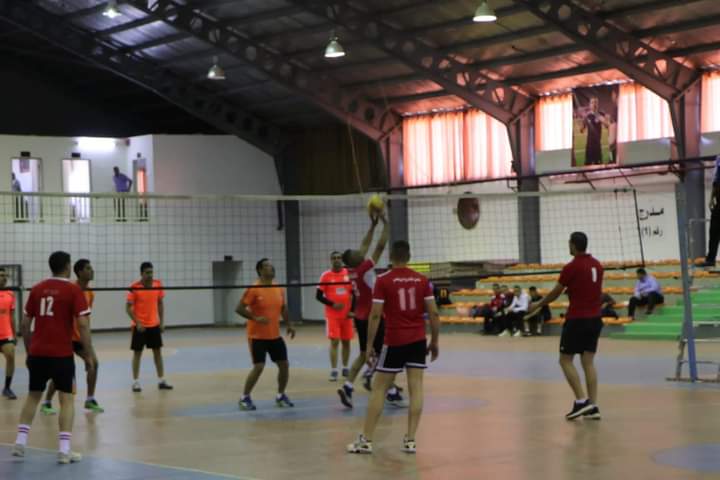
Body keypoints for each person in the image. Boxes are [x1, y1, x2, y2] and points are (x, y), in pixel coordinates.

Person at [347, 240, 440, 454]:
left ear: (391, 256)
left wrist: (369, 345)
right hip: (417, 340)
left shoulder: (383, 280)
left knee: (379, 388)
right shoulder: (422, 280)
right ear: (409, 256)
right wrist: (434, 341)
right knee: (416, 387)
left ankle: (366, 440)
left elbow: (375, 315)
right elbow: (434, 313)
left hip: (394, 340)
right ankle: (410, 440)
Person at [11, 251, 93, 464]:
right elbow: (83, 325)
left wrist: (29, 351)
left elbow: (24, 325)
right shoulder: (74, 290)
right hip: (61, 355)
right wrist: (88, 354)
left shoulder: (37, 288)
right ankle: (64, 451)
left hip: (38, 353)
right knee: (66, 400)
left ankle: (20, 443)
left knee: (33, 396)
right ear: (67, 267)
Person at [526, 232, 603, 420]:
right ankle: (593, 406)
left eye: (569, 243)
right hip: (595, 319)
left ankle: (581, 401)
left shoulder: (571, 267)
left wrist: (538, 304)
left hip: (577, 319)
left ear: (573, 245)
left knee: (565, 360)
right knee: (588, 362)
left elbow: (556, 292)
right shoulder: (597, 265)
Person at [337, 214, 404, 408]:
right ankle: (377, 381)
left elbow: (364, 245)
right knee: (385, 353)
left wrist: (372, 226)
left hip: (359, 316)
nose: (361, 252)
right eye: (357, 253)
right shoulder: (364, 268)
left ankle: (348, 386)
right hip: (372, 317)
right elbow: (380, 246)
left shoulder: (352, 270)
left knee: (364, 353)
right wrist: (386, 224)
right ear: (354, 260)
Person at [41, 259, 103, 414]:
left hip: (80, 337)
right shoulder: (70, 289)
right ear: (79, 272)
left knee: (94, 364)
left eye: (91, 267)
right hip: (66, 337)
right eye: (88, 268)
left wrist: (87, 340)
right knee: (62, 372)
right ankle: (46, 402)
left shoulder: (90, 293)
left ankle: (90, 399)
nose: (92, 271)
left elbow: (85, 318)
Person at [236, 258, 296, 410]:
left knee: (284, 365)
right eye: (267, 266)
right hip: (257, 336)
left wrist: (289, 324)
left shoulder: (278, 288)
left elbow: (283, 308)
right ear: (260, 270)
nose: (271, 267)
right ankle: (244, 398)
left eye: (271, 265)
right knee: (259, 367)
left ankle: (281, 395)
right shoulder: (254, 289)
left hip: (274, 335)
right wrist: (255, 318)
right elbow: (239, 308)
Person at [127, 262, 173, 392]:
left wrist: (162, 322)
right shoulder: (134, 287)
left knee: (158, 353)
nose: (150, 275)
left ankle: (161, 381)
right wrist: (138, 323)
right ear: (141, 273)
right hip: (140, 327)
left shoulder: (158, 284)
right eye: (147, 272)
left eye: (151, 272)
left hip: (154, 325)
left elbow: (160, 304)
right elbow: (128, 308)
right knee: (137, 354)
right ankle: (135, 382)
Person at [316, 251, 353, 381]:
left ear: (342, 260)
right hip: (332, 315)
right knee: (335, 341)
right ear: (331, 260)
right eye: (334, 258)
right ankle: (334, 370)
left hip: (347, 315)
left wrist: (352, 310)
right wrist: (333, 304)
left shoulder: (348, 273)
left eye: (339, 258)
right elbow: (318, 296)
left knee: (346, 341)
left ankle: (345, 367)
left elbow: (354, 294)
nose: (337, 260)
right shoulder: (325, 276)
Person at [0, 267, 17, 399]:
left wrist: (14, 334)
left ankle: (7, 388)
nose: (4, 278)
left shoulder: (10, 294)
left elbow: (12, 316)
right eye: (1, 275)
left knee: (11, 357)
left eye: (5, 276)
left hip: (6, 334)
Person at [702, 154, 720, 267]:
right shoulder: (718, 163)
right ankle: (710, 259)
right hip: (718, 204)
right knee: (713, 233)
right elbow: (715, 183)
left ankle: (710, 259)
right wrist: (711, 199)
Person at [579, 97, 609, 166]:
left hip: (597, 144)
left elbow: (607, 125)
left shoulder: (601, 114)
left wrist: (599, 116)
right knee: (587, 165)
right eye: (592, 102)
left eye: (596, 102)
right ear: (589, 104)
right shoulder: (587, 115)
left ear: (598, 104)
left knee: (598, 164)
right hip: (589, 144)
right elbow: (582, 130)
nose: (594, 104)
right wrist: (582, 121)